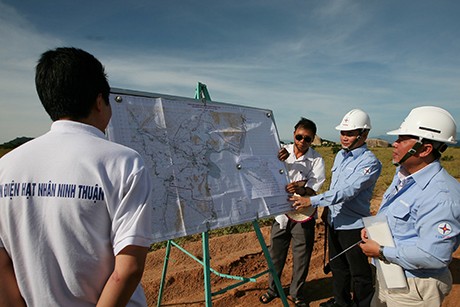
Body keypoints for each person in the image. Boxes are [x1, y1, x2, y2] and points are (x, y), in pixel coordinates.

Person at [0, 47, 153, 306]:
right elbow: (127, 269)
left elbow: (2, 266)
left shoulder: (5, 167)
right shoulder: (124, 162)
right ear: (99, 101)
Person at [359, 106, 460, 307]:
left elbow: (434, 256)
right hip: (389, 274)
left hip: (415, 286)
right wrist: (375, 232)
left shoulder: (441, 196)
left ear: (424, 149)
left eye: (402, 139)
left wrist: (380, 251)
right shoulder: (404, 175)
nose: (394, 144)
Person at [290, 109, 382, 307]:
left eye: (349, 133)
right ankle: (341, 302)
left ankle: (363, 303)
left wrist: (312, 201)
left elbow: (348, 191)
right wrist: (327, 212)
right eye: (343, 132)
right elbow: (335, 187)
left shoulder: (370, 162)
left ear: (363, 135)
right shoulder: (340, 155)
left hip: (353, 226)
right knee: (339, 267)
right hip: (334, 221)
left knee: (359, 272)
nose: (345, 137)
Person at [259, 118, 326, 307]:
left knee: (302, 255)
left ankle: (297, 293)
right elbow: (266, 171)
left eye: (307, 139)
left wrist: (301, 187)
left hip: (303, 214)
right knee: (276, 254)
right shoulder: (281, 151)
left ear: (312, 140)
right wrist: (274, 158)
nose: (302, 142)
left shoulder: (316, 159)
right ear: (294, 134)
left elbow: (315, 187)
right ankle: (273, 289)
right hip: (280, 212)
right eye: (299, 137)